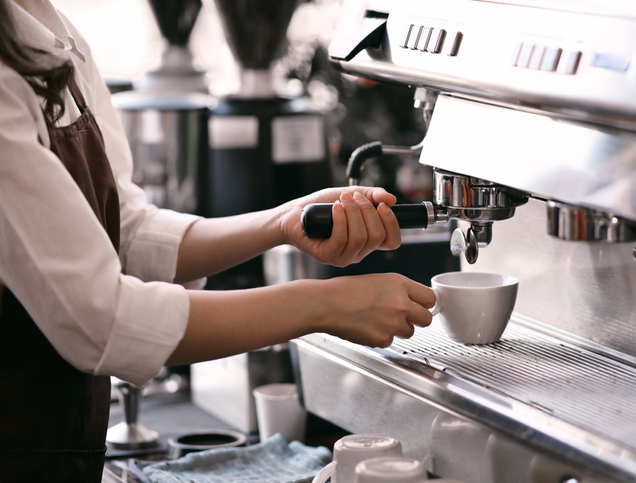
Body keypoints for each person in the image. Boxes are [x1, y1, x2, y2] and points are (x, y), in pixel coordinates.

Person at [0, 1, 436, 481]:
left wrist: (282, 222)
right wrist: (326, 306)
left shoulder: (55, 33)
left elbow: (126, 231)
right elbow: (105, 320)